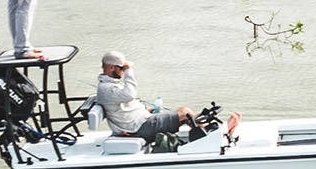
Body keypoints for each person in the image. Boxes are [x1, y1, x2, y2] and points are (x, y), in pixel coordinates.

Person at [94, 52, 240, 144]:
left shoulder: (110, 85)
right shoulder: (106, 88)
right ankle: (214, 137)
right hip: (139, 128)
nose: (123, 71)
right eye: (121, 68)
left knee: (185, 115)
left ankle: (210, 132)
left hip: (142, 121)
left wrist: (148, 110)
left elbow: (124, 105)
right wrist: (129, 71)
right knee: (184, 112)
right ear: (111, 68)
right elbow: (129, 94)